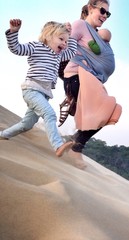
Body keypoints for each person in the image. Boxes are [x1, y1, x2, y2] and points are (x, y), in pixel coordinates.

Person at [0, 19, 78, 157]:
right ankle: (58, 145)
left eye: (66, 41)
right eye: (61, 39)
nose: (64, 44)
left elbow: (71, 52)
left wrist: (70, 36)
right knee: (50, 114)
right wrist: (13, 32)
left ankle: (3, 135)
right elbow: (16, 49)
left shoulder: (59, 55)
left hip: (44, 94)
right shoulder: (36, 47)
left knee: (27, 124)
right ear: (48, 36)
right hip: (32, 90)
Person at [62, 0, 121, 154]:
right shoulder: (80, 25)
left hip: (91, 81)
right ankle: (76, 149)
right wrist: (67, 34)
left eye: (108, 13)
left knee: (113, 111)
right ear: (90, 8)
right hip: (77, 77)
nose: (105, 16)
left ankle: (73, 141)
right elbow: (63, 47)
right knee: (107, 110)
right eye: (102, 11)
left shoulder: (98, 34)